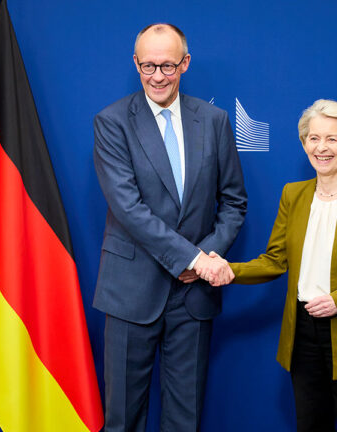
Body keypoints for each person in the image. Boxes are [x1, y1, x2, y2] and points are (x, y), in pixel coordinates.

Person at [202, 99, 337, 431]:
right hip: (302, 334)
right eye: (314, 138)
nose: (321, 147)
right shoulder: (293, 195)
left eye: (332, 139)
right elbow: (274, 260)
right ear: (305, 143)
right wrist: (230, 270)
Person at [92, 23, 247, 432]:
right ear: (135, 63)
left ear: (185, 63)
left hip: (193, 296)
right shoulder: (112, 122)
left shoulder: (214, 121)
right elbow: (128, 209)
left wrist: (203, 260)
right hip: (130, 291)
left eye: (167, 65)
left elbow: (234, 202)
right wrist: (193, 258)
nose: (157, 76)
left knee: (185, 420)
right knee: (123, 420)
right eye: (148, 65)